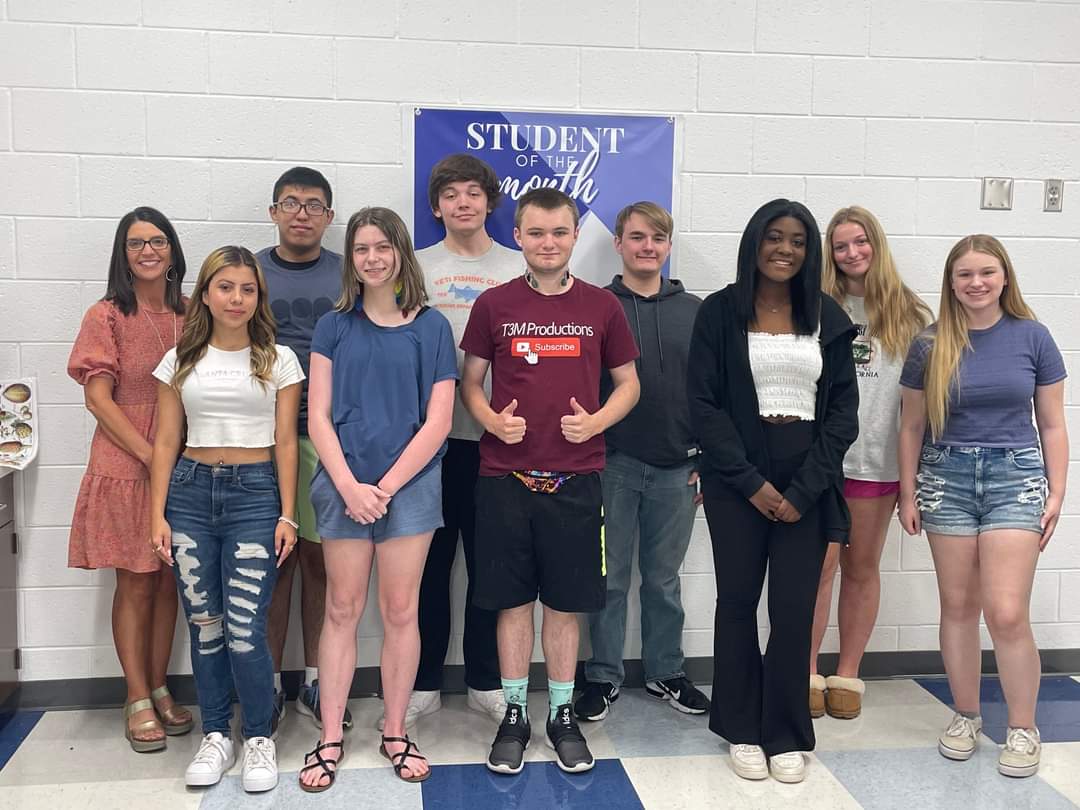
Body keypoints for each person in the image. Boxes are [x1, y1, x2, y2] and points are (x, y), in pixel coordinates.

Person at [461, 187, 641, 775]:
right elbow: (470, 384)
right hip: (505, 478)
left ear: (574, 237)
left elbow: (629, 385)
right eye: (536, 232)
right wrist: (491, 421)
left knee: (565, 606)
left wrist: (596, 422)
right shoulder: (493, 305)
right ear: (517, 236)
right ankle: (515, 712)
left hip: (577, 480)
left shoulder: (602, 307)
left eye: (559, 232)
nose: (548, 243)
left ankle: (562, 714)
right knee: (512, 603)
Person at [687, 198, 858, 784]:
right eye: (774, 237)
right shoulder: (719, 312)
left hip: (807, 475)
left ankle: (784, 731)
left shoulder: (827, 316)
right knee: (737, 602)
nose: (785, 249)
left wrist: (804, 489)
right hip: (737, 477)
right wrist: (751, 483)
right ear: (754, 242)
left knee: (792, 609)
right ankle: (740, 726)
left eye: (798, 241)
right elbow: (703, 404)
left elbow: (842, 415)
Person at [898, 234, 1067, 779]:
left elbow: (1053, 424)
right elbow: (911, 426)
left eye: (987, 272)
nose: (977, 283)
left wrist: (1057, 491)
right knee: (958, 605)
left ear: (1005, 277)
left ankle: (1022, 726)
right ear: (951, 283)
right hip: (944, 477)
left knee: (1007, 611)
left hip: (1015, 477)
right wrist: (907, 491)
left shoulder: (1033, 336)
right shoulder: (929, 344)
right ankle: (966, 715)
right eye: (965, 274)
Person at [299, 207, 456, 791]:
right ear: (352, 258)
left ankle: (394, 730)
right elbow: (316, 416)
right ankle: (329, 736)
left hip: (409, 490)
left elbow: (439, 421)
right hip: (343, 486)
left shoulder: (432, 327)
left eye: (382, 247)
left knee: (400, 611)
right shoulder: (333, 325)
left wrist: (385, 489)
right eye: (361, 248)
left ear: (400, 253)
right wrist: (348, 486)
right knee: (341, 609)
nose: (372, 258)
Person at [149, 245, 303, 792]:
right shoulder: (179, 360)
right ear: (206, 294)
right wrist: (157, 514)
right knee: (206, 625)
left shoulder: (279, 359)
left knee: (244, 627)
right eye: (226, 287)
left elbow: (287, 442)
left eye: (247, 289)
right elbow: (166, 440)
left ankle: (258, 736)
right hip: (190, 495)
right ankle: (216, 733)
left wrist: (288, 514)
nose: (237, 298)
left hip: (255, 495)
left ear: (259, 297)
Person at [394, 154, 519, 729]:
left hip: (498, 442)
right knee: (429, 567)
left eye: (473, 192)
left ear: (491, 202)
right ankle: (423, 681)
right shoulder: (414, 268)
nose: (462, 202)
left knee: (490, 567)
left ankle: (484, 680)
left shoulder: (518, 265)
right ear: (436, 206)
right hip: (430, 447)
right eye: (450, 194)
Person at [574, 202, 710, 722]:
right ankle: (602, 676)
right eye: (636, 237)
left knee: (663, 579)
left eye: (657, 238)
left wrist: (711, 459)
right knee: (608, 579)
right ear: (619, 244)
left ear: (668, 246)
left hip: (680, 468)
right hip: (612, 464)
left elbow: (715, 391)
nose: (647, 247)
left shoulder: (696, 311)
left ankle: (665, 672)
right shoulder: (595, 306)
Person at [66, 207, 193, 754]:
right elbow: (98, 399)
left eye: (158, 241)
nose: (148, 251)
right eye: (136, 243)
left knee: (168, 581)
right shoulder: (107, 316)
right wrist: (150, 455)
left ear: (172, 250)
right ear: (123, 253)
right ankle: (136, 695)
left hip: (185, 459)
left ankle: (161, 685)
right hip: (126, 461)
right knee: (137, 580)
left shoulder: (191, 312)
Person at [808, 206, 932, 719]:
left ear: (876, 245)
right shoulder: (815, 306)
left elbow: (918, 410)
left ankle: (847, 675)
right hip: (821, 462)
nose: (851, 253)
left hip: (876, 464)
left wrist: (910, 481)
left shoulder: (912, 315)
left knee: (861, 568)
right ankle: (805, 672)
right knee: (817, 569)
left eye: (860, 242)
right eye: (840, 246)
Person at [258, 166, 351, 732]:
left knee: (321, 561)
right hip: (263, 440)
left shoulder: (348, 274)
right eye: (290, 203)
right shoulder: (250, 274)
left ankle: (318, 681)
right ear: (273, 212)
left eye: (313, 205)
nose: (301, 213)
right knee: (273, 563)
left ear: (329, 217)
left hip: (327, 439)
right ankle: (267, 685)